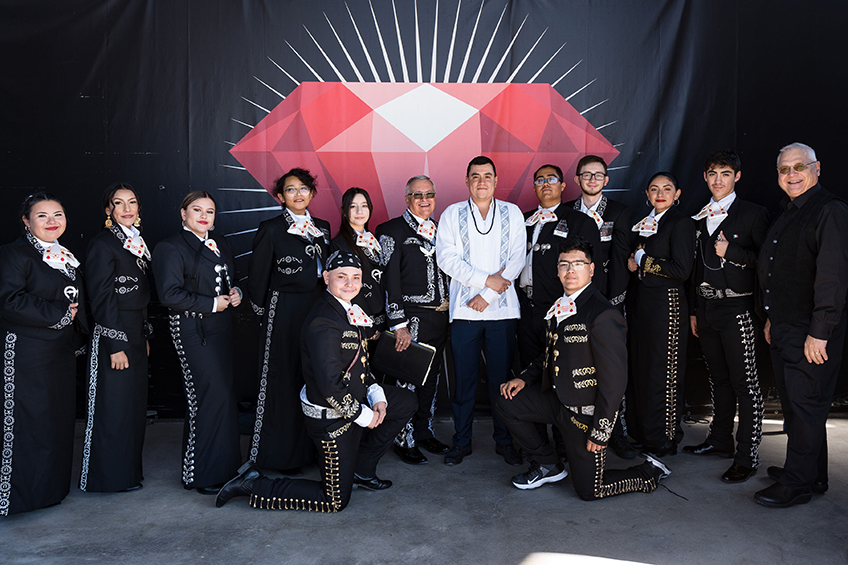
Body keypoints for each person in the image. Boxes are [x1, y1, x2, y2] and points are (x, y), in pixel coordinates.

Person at [215, 250, 417, 512]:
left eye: (356, 277)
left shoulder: (349, 308)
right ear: (325, 277)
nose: (349, 283)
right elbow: (330, 385)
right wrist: (364, 416)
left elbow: (360, 364)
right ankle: (254, 484)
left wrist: (376, 394)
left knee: (405, 401)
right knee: (333, 502)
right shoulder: (323, 321)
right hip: (332, 416)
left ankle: (362, 470)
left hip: (354, 399)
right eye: (341, 276)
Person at [495, 237, 670, 500]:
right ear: (557, 270)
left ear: (592, 269)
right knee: (506, 400)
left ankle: (649, 471)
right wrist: (524, 378)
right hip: (557, 401)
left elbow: (615, 382)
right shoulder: (560, 306)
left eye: (578, 264)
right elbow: (550, 354)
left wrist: (601, 431)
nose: (570, 270)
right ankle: (548, 464)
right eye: (564, 264)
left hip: (584, 416)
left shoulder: (602, 313)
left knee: (590, 490)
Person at [754, 143, 848, 508]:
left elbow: (833, 278)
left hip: (811, 331)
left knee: (806, 406)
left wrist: (820, 331)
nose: (791, 175)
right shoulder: (790, 212)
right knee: (797, 406)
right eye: (783, 170)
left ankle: (797, 484)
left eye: (799, 167)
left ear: (817, 168)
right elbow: (784, 272)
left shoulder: (831, 212)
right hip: (785, 326)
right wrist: (772, 319)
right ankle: (813, 473)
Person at [683, 150, 769, 484]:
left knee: (745, 384)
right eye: (712, 173)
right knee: (718, 380)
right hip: (706, 310)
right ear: (705, 177)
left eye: (725, 173)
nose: (718, 179)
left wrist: (730, 252)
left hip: (738, 308)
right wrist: (694, 308)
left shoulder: (752, 214)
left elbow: (766, 261)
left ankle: (747, 456)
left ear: (737, 177)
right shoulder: (700, 216)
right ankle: (719, 440)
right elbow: (693, 269)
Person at [435, 156, 526, 466]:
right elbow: (446, 260)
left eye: (488, 176)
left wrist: (487, 294)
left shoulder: (512, 213)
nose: (482, 181)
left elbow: (516, 260)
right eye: (475, 176)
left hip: (501, 312)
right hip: (464, 311)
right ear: (467, 181)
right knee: (465, 380)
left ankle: (504, 440)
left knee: (502, 380)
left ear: (496, 181)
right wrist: (485, 281)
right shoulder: (452, 214)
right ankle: (461, 441)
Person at [0, 193, 87, 516]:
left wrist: (75, 332)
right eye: (42, 216)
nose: (52, 222)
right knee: (28, 421)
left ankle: (48, 492)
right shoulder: (14, 254)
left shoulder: (64, 255)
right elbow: (9, 301)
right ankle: (16, 499)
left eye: (58, 215)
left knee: (54, 420)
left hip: (58, 352)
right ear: (26, 221)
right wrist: (60, 313)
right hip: (27, 352)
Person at [152, 191, 243, 494]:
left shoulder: (222, 243)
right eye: (196, 210)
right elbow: (169, 295)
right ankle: (200, 473)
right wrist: (211, 304)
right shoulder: (170, 247)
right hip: (192, 328)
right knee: (207, 397)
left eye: (210, 211)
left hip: (221, 328)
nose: (204, 216)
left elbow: (230, 281)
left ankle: (226, 467)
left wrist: (236, 294)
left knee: (225, 397)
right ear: (183, 213)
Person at [247, 168, 330, 475]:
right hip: (282, 311)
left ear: (312, 193)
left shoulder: (322, 227)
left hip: (316, 311)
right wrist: (266, 316)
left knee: (311, 378)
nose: (298, 194)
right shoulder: (270, 228)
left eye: (304, 189)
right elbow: (256, 280)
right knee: (281, 380)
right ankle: (277, 457)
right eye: (291, 190)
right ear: (280, 197)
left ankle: (308, 453)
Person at [79, 182, 153, 493]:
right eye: (118, 203)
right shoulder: (102, 244)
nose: (127, 208)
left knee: (132, 407)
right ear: (108, 210)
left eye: (132, 202)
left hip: (135, 333)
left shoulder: (136, 242)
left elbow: (141, 297)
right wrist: (116, 344)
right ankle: (107, 479)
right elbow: (102, 299)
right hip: (115, 337)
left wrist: (143, 334)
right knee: (112, 408)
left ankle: (127, 474)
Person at [376, 175, 451, 465]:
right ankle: (403, 438)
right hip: (410, 319)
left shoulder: (443, 230)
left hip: (440, 318)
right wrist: (399, 324)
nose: (424, 200)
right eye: (417, 195)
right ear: (407, 199)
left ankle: (424, 431)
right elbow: (389, 282)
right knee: (407, 380)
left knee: (431, 380)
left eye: (429, 194)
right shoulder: (391, 231)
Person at [564, 155, 635, 459]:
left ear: (606, 180)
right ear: (577, 179)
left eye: (598, 175)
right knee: (573, 369)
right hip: (572, 305)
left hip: (606, 304)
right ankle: (570, 434)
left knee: (609, 371)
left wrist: (611, 303)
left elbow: (620, 262)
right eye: (586, 175)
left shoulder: (619, 213)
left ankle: (614, 433)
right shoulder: (565, 213)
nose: (592, 180)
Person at [627, 172, 695, 457]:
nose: (660, 193)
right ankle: (644, 434)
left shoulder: (681, 223)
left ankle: (665, 438)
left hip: (667, 306)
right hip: (642, 305)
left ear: (677, 194)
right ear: (646, 194)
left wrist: (642, 261)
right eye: (654, 188)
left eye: (667, 188)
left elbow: (681, 270)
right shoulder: (644, 225)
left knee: (663, 373)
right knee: (641, 370)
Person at [330, 187, 385, 331]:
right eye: (353, 206)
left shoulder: (377, 241)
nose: (359, 211)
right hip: (360, 323)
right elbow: (343, 289)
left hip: (384, 321)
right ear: (344, 211)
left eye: (364, 206)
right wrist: (366, 324)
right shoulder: (339, 244)